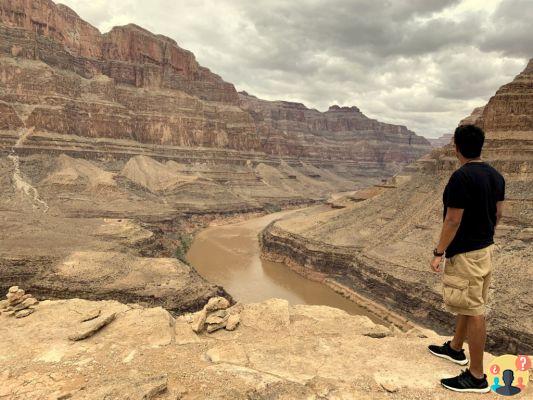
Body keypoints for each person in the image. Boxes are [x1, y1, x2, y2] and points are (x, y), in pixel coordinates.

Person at [426, 124, 505, 393]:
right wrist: (484, 236)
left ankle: (476, 376)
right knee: (470, 301)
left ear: (456, 148)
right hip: (485, 250)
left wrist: (438, 253)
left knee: (474, 309)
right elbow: (498, 214)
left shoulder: (461, 177)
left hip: (466, 253)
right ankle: (456, 348)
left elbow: (453, 219)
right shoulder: (496, 176)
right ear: (480, 146)